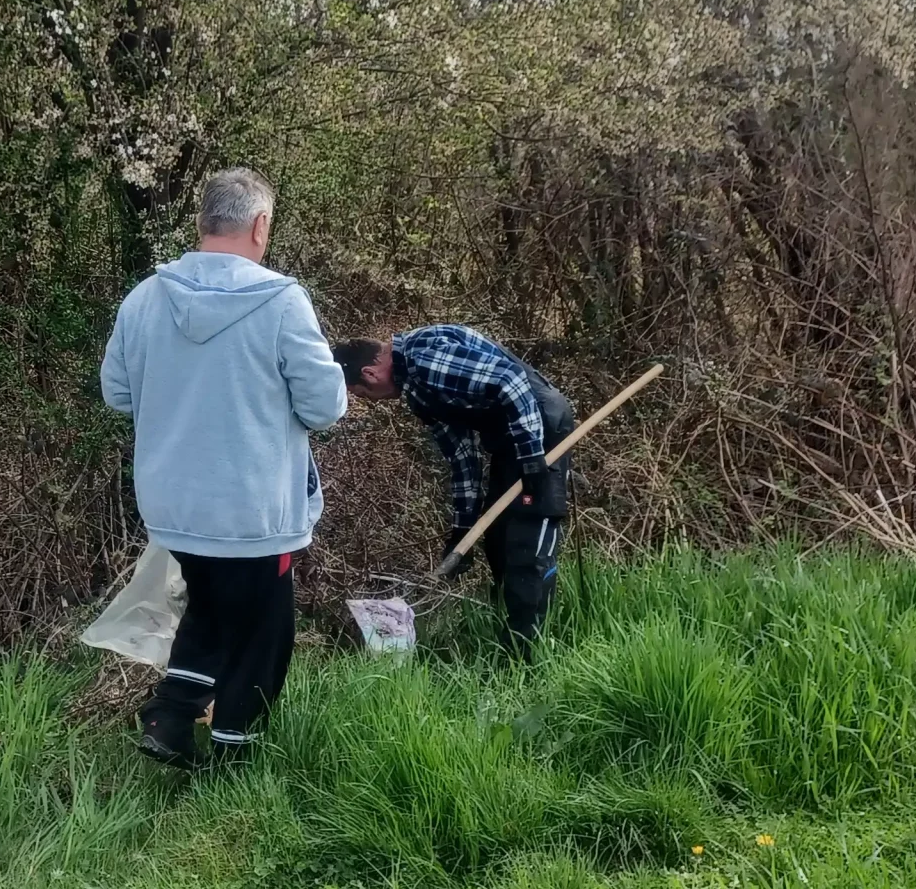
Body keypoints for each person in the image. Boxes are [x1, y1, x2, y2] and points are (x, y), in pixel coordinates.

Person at [100, 168, 346, 766]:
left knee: (210, 603)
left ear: (203, 221)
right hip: (254, 511)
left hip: (174, 506)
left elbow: (116, 393)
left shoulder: (144, 297)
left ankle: (171, 715)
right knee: (266, 629)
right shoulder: (282, 300)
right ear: (260, 225)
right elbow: (324, 405)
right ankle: (237, 753)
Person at [332, 326, 576, 653]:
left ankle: (528, 655)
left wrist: (532, 456)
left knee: (526, 540)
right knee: (498, 539)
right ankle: (510, 643)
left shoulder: (425, 357)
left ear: (370, 373)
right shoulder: (418, 393)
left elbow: (511, 382)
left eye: (361, 394)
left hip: (541, 428)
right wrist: (462, 529)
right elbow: (462, 458)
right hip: (509, 444)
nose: (370, 401)